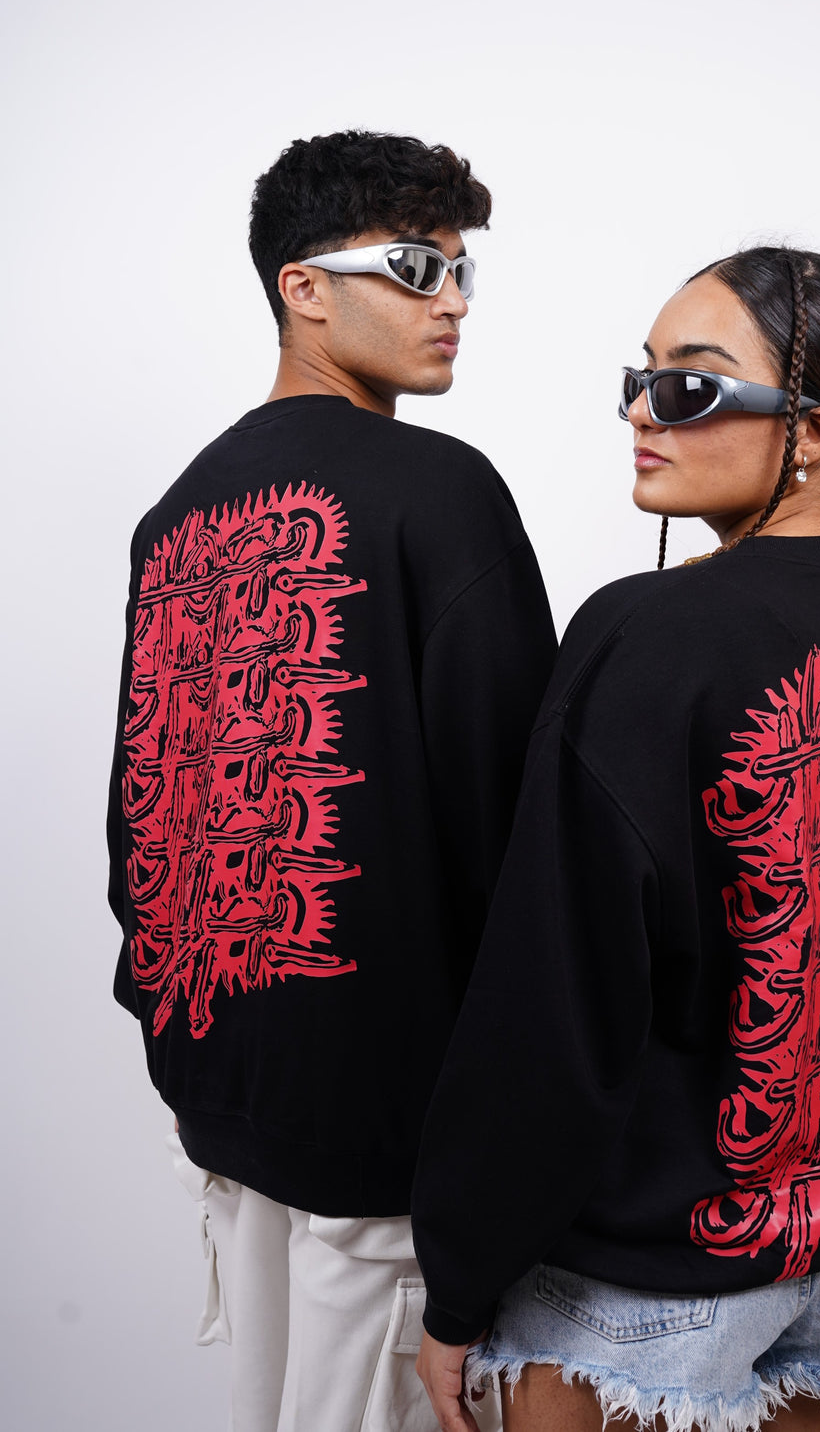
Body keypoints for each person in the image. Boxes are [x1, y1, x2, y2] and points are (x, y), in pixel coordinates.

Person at [412, 247, 820, 1432]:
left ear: (812, 431)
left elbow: (554, 998)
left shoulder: (643, 636)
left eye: (688, 384)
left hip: (657, 1278)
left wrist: (459, 1277)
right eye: (640, 377)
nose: (640, 411)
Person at [106, 129, 557, 1432]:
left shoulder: (179, 511)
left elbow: (141, 820)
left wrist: (185, 1044)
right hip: (398, 1151)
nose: (453, 300)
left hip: (232, 1111)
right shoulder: (440, 492)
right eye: (417, 267)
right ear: (302, 287)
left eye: (463, 271)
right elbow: (521, 841)